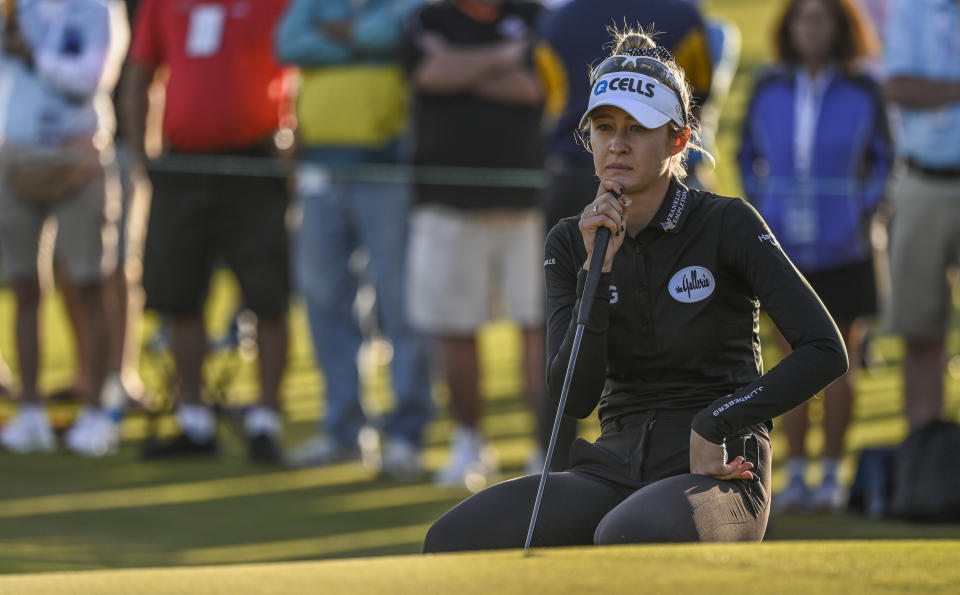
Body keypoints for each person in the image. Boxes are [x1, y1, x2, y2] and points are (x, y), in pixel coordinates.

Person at [422, 26, 847, 551]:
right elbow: (574, 398)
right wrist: (595, 277)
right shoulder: (572, 241)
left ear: (678, 139)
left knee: (626, 533)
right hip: (613, 468)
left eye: (637, 129)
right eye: (604, 127)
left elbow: (826, 350)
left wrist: (721, 421)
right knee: (453, 538)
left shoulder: (727, 222)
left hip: (718, 468)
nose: (617, 145)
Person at [535, 0, 716, 472]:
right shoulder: (683, 14)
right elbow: (700, 93)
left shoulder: (559, 18)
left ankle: (552, 455)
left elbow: (550, 96)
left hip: (574, 175)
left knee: (566, 325)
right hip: (643, 175)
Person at [737, 0, 892, 513]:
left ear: (841, 25)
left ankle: (832, 475)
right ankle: (796, 472)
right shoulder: (768, 86)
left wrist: (859, 210)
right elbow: (745, 156)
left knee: (842, 362)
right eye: (803, 16)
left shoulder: (862, 88)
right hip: (784, 247)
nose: (811, 26)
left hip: (846, 248)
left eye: (822, 16)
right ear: (790, 24)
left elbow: (884, 162)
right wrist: (764, 209)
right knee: (790, 363)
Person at [122, 0, 292, 463]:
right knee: (178, 293)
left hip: (252, 161)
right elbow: (142, 72)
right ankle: (193, 421)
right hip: (184, 161)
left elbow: (299, 65)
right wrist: (144, 154)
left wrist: (290, 143)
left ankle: (265, 422)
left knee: (267, 293)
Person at [274, 0, 433, 479]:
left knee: (401, 303)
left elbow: (395, 37)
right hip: (319, 168)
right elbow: (287, 43)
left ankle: (406, 434)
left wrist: (337, 39)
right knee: (324, 301)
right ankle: (345, 431)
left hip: (387, 170)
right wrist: (358, 38)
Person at [401, 0, 552, 488]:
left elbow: (538, 89)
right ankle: (469, 443)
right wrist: (505, 57)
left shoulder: (537, 18)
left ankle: (544, 448)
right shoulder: (426, 19)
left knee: (540, 325)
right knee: (455, 326)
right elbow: (428, 76)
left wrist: (461, 66)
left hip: (529, 201)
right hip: (446, 200)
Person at [0, 0, 128, 456]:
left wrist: (34, 55)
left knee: (89, 285)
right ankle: (30, 410)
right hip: (17, 162)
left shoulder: (97, 9)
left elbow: (90, 79)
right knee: (24, 290)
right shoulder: (16, 10)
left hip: (80, 164)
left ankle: (97, 410)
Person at [883, 0, 960, 432]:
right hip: (922, 181)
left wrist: (941, 88)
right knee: (921, 332)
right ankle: (925, 457)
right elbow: (898, 86)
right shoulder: (912, 8)